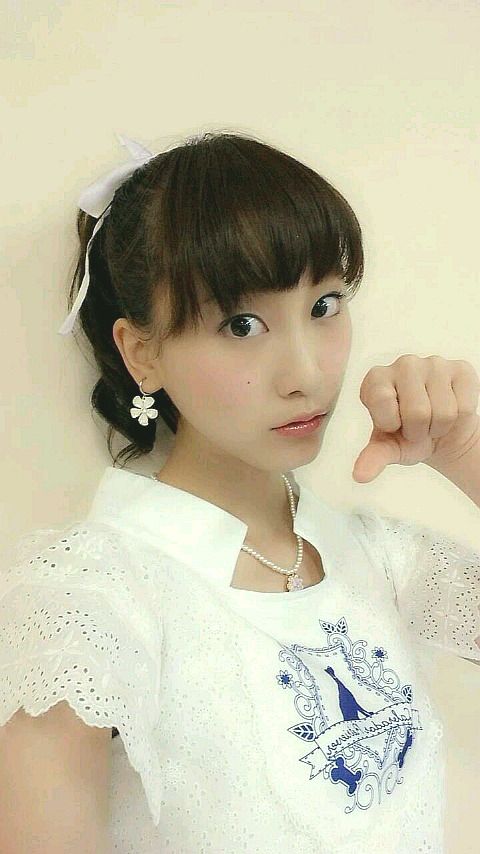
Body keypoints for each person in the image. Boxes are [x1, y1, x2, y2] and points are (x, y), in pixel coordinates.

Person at [1, 131, 479, 853]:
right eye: (241, 324)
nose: (306, 373)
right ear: (141, 353)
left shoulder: (377, 558)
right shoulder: (88, 597)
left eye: (325, 305)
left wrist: (468, 452)